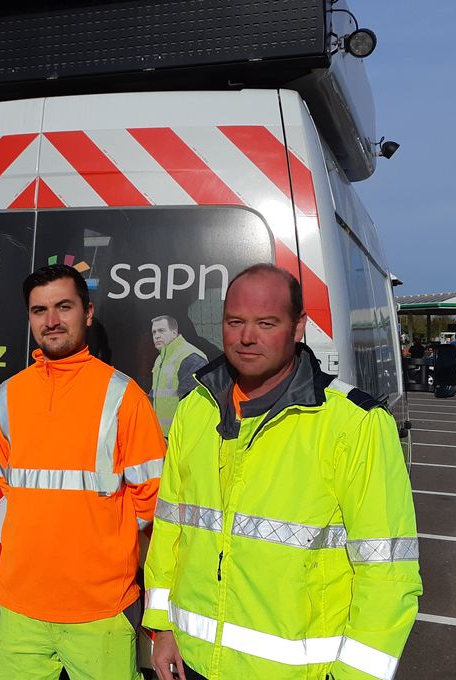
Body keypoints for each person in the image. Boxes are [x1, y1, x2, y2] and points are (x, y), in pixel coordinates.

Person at [144, 263, 421, 680]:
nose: (247, 337)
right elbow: (170, 529)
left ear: (298, 327)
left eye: (266, 323)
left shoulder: (354, 424)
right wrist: (161, 627)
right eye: (235, 322)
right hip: (193, 662)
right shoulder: (195, 409)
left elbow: (387, 572)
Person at [0, 264, 166, 680]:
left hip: (100, 612)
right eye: (39, 310)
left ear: (88, 313)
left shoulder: (124, 397)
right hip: (20, 611)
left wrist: (102, 538)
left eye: (63, 307)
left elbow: (154, 501)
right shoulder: (8, 397)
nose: (51, 321)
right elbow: (8, 484)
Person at [149, 315, 208, 435]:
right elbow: (154, 396)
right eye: (154, 332)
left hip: (180, 438)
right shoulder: (160, 359)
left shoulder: (190, 357)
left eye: (161, 331)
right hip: (161, 438)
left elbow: (194, 408)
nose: (157, 336)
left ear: (174, 332)